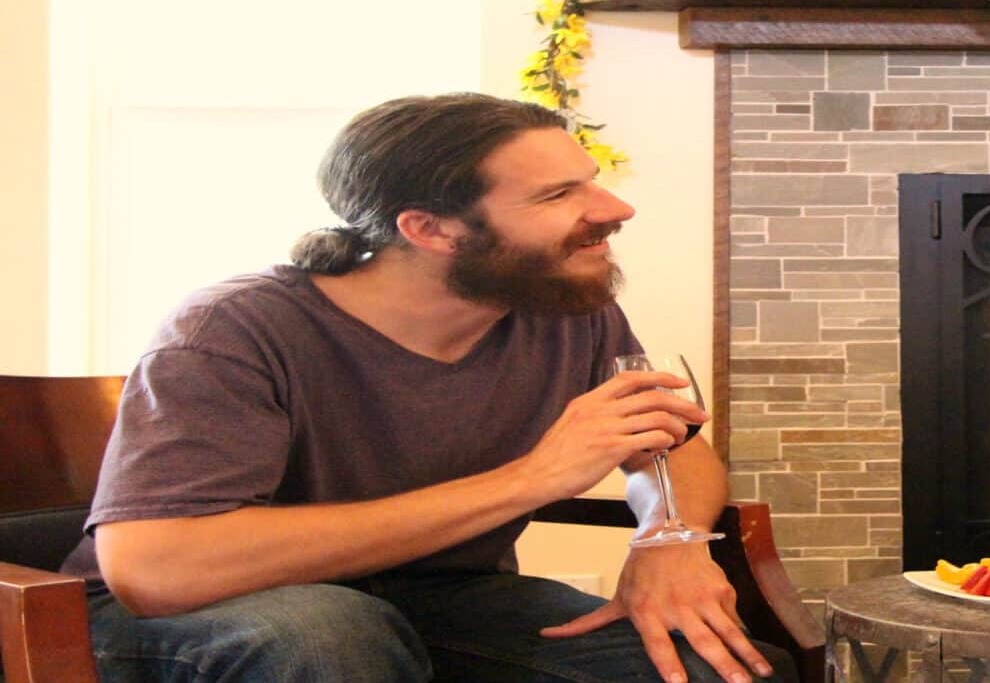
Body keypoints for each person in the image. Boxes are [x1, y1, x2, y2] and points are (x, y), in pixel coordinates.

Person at [60, 92, 795, 683]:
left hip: (443, 599)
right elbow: (154, 570)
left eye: (593, 179)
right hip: (195, 618)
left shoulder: (565, 305)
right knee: (330, 639)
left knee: (712, 664)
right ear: (431, 230)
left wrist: (669, 537)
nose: (614, 209)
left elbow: (671, 449)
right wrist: (530, 479)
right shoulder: (232, 329)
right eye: (558, 194)